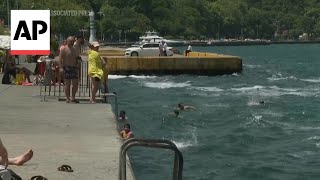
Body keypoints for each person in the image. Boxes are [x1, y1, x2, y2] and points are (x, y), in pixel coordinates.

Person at [58, 36, 79, 103]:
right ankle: (67, 98)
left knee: (75, 83)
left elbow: (76, 58)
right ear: (67, 41)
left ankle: (73, 97)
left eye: (73, 41)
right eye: (71, 41)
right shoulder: (64, 49)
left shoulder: (74, 49)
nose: (72, 42)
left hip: (74, 67)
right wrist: (61, 68)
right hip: (66, 67)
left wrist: (77, 63)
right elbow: (59, 59)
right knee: (67, 84)